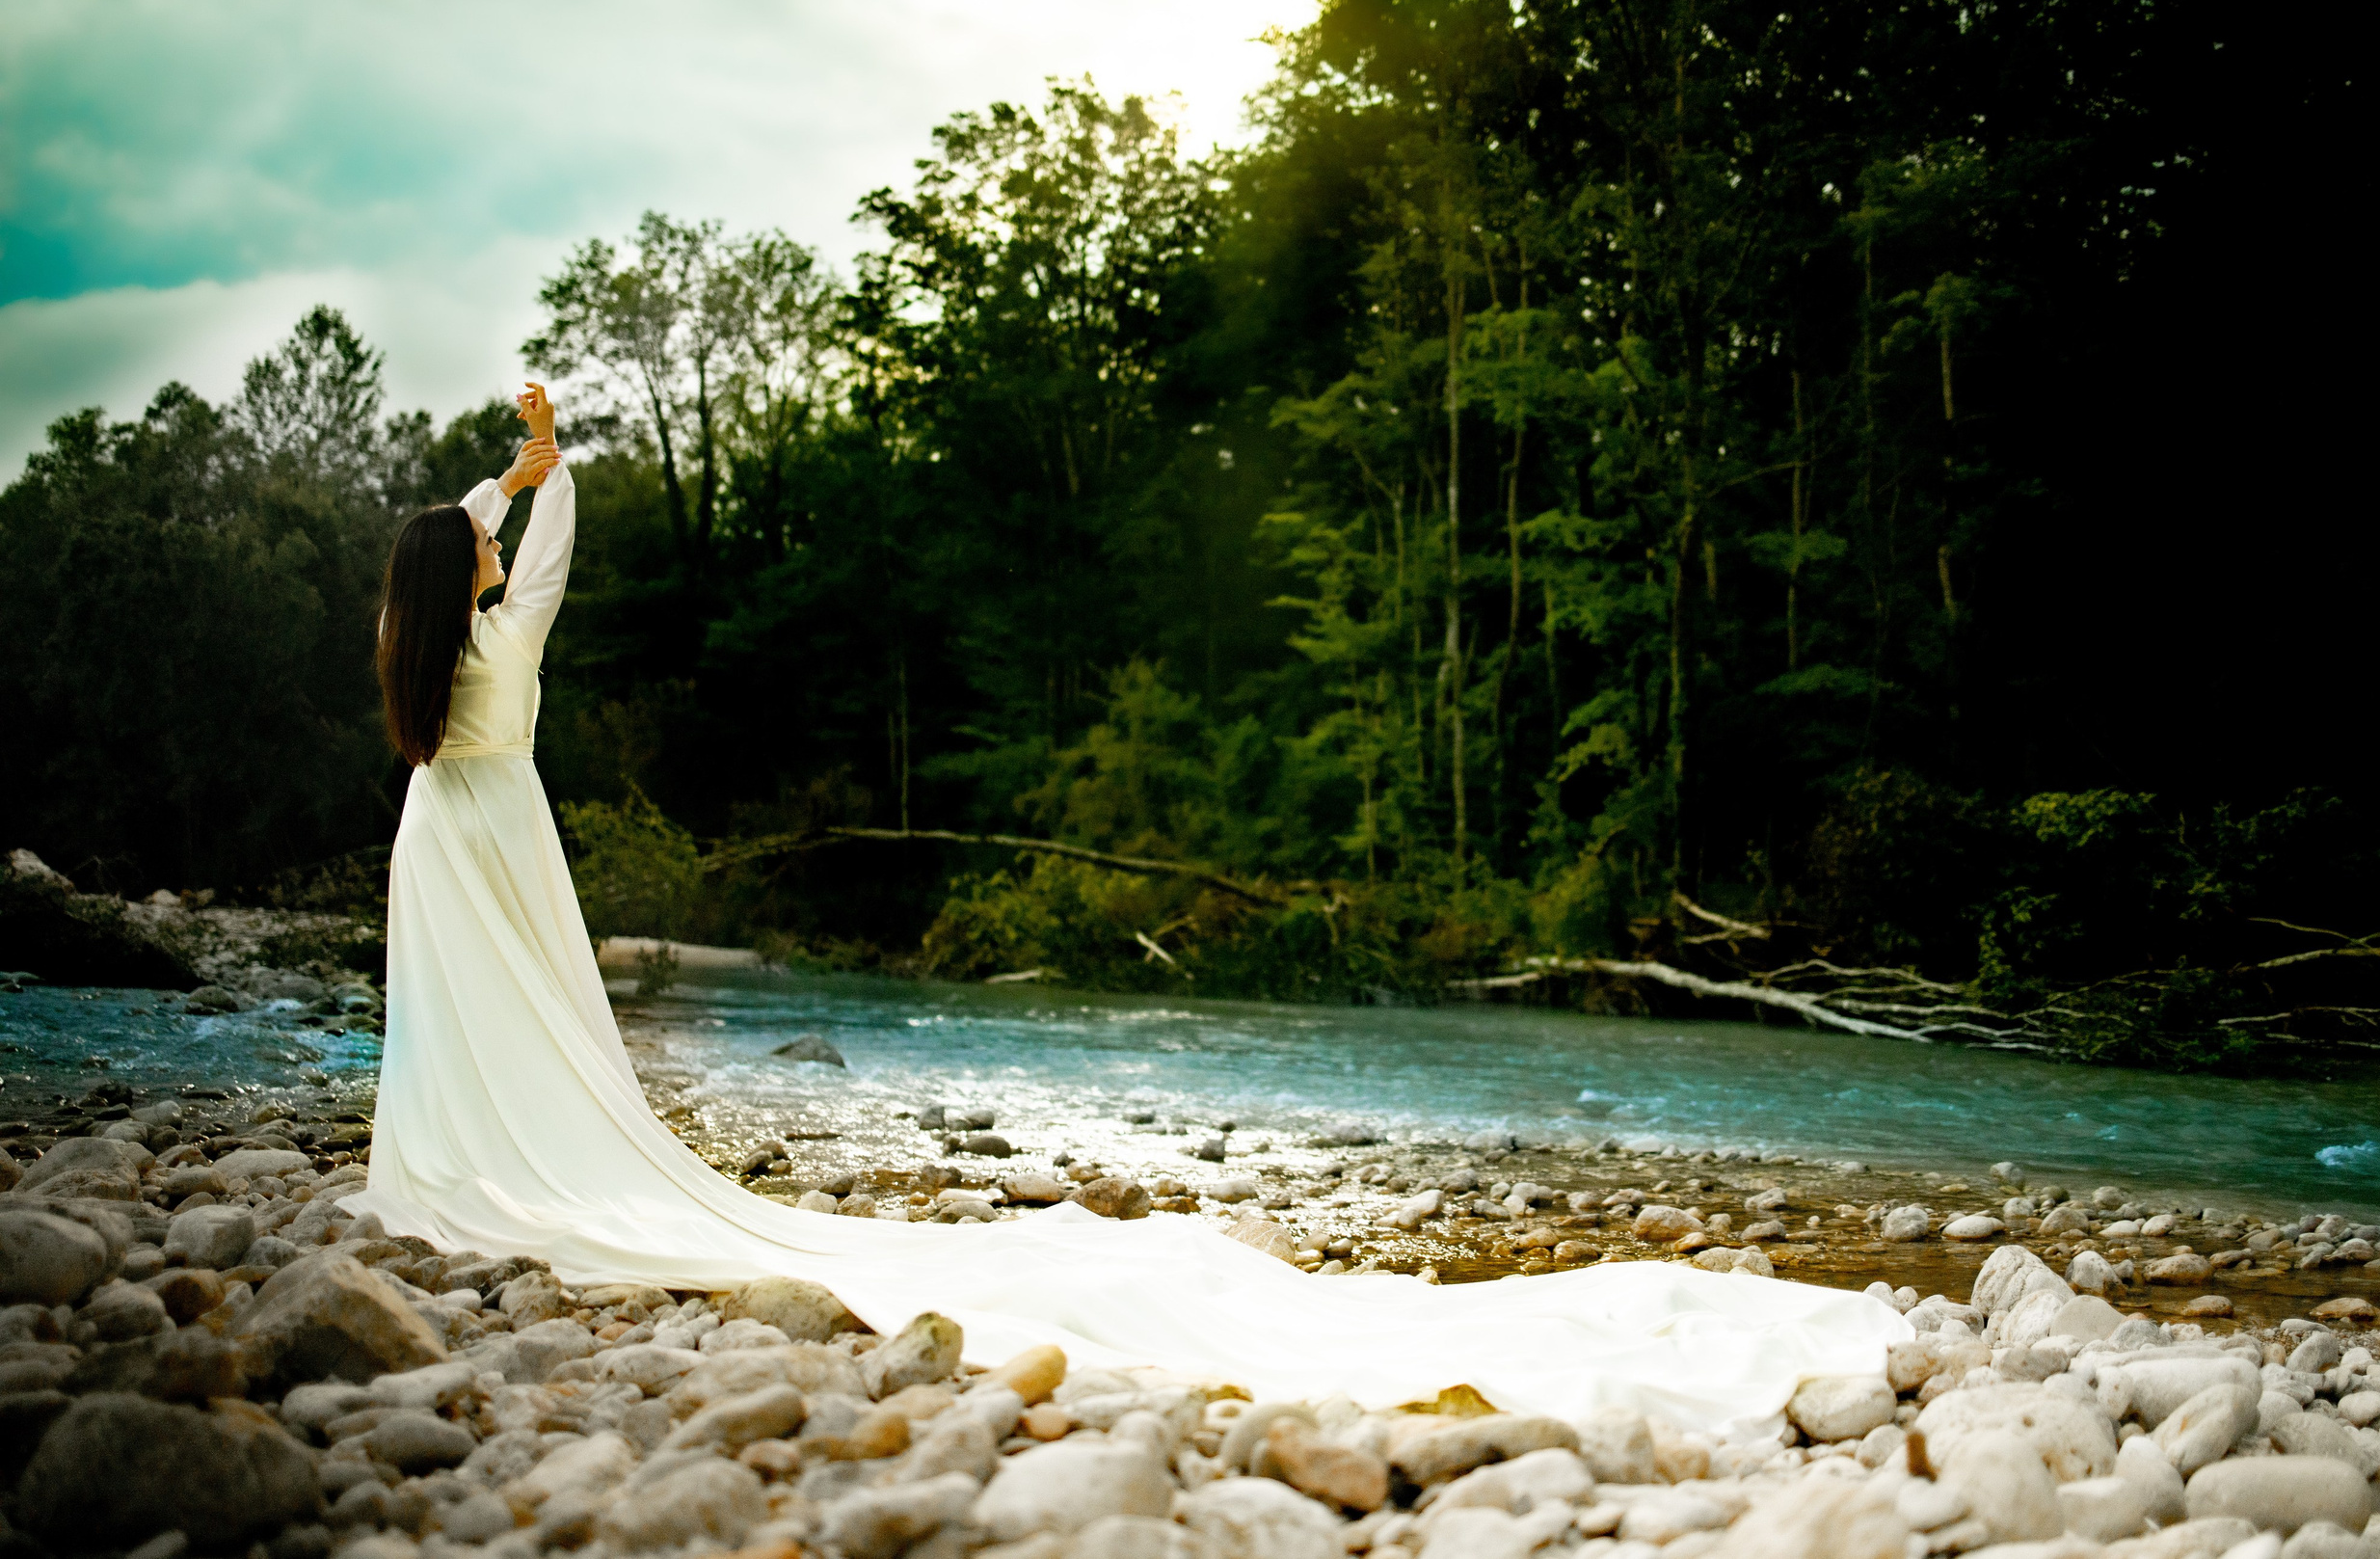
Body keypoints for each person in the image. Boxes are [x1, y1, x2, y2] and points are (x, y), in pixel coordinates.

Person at [348, 384, 1906, 1426]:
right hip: (516, 835)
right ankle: (522, 1149)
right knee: (545, 1015)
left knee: (472, 1027)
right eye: (484, 541)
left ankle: (450, 1156)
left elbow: (465, 539)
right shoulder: (515, 637)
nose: (497, 543)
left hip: (449, 840)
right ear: (472, 575)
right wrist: (548, 473)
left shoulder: (423, 663)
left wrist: (503, 482)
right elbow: (545, 541)